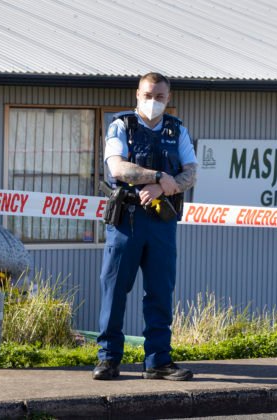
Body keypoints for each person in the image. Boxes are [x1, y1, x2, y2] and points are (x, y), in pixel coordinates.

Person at [94, 72, 198, 381]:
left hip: (162, 221)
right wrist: (156, 177)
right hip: (127, 220)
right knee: (114, 289)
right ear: (137, 95)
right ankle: (108, 359)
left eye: (160, 97)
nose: (153, 102)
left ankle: (158, 361)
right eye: (148, 95)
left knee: (160, 291)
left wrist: (163, 188)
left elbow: (190, 174)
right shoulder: (121, 125)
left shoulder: (176, 130)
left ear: (168, 99)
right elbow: (117, 167)